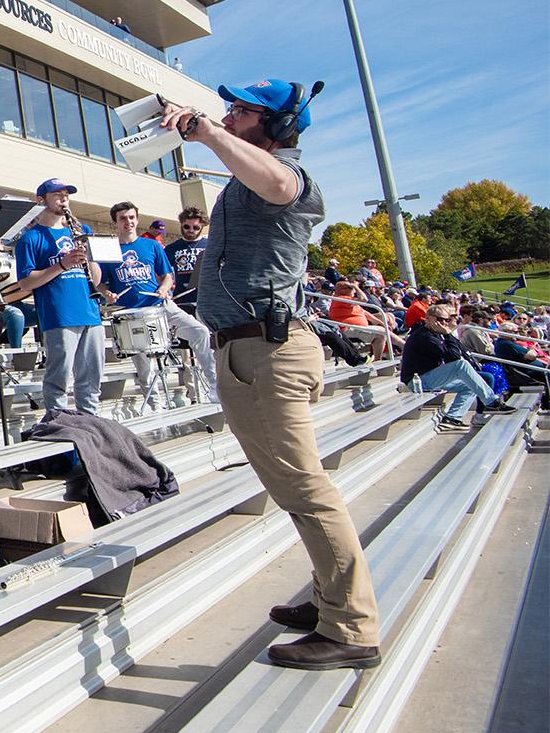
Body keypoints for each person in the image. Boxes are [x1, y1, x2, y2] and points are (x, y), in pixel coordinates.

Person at [163, 76, 381, 671]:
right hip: (249, 349)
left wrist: (206, 133)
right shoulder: (244, 175)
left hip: (267, 351)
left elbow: (280, 182)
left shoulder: (289, 178)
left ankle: (351, 627)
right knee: (296, 490)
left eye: (241, 111)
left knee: (305, 491)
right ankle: (330, 598)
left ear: (278, 126)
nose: (228, 115)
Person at [100, 201, 218, 406]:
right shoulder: (109, 249)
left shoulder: (152, 245)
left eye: (131, 217)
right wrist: (107, 293)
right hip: (130, 311)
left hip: (160, 306)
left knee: (199, 332)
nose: (128, 222)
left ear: (137, 219)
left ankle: (216, 388)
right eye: (122, 218)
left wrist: (164, 288)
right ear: (115, 223)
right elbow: (100, 283)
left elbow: (167, 275)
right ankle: (155, 405)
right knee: (143, 363)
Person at [11, 179, 104, 414]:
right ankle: (59, 423)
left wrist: (89, 255)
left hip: (90, 311)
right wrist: (62, 265)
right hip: (59, 314)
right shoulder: (30, 238)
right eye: (57, 194)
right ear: (41, 200)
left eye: (66, 194)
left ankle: (91, 426)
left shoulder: (79, 232)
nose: (63, 199)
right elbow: (25, 282)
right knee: (59, 379)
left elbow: (96, 278)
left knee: (91, 379)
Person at [401, 304, 514, 428]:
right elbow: (453, 358)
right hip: (417, 381)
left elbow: (459, 350)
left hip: (429, 377)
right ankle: (491, 402)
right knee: (461, 365)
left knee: (470, 385)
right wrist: (448, 334)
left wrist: (448, 334)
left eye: (446, 320)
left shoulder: (436, 333)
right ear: (428, 318)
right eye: (439, 319)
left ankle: (453, 417)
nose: (443, 323)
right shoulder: (424, 336)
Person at [166, 206, 208, 314]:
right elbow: (163, 274)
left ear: (202, 226)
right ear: (181, 224)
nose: (191, 230)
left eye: (196, 228)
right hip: (181, 300)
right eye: (186, 226)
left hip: (206, 299)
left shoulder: (210, 246)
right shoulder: (171, 248)